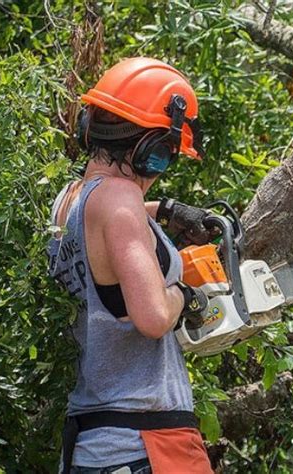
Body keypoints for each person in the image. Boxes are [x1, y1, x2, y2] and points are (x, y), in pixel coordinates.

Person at [47, 57, 215, 474]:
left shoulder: (67, 202)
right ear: (152, 151)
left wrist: (165, 212)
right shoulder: (121, 199)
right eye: (167, 155)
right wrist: (186, 295)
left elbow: (105, 226)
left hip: (92, 445)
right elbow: (154, 317)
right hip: (145, 446)